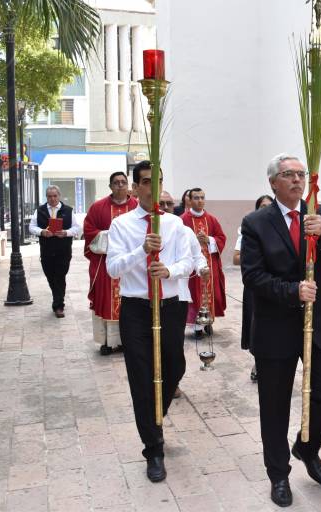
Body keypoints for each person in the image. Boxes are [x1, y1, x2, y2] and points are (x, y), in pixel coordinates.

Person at [241, 154, 321, 507]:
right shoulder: (255, 222)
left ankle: (307, 446)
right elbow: (252, 276)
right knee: (274, 407)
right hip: (275, 327)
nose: (296, 180)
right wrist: (293, 291)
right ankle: (278, 475)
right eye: (288, 175)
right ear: (273, 182)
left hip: (319, 323)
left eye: (301, 174)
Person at [106, 161, 193, 483]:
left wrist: (169, 270)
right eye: (144, 182)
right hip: (136, 308)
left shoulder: (175, 224)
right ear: (134, 187)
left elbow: (189, 262)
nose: (151, 188)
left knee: (175, 365)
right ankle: (153, 448)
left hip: (169, 305)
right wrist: (141, 252)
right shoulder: (122, 226)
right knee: (141, 376)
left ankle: (156, 415)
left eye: (156, 181)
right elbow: (114, 268)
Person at [83, 172, 138, 354]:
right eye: (116, 183)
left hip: (131, 266)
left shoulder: (137, 207)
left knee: (130, 303)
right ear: (110, 186)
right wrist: (111, 236)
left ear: (129, 185)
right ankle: (107, 341)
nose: (120, 185)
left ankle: (126, 340)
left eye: (123, 182)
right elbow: (89, 230)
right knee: (106, 301)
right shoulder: (98, 207)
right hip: (106, 264)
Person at [162, 190, 209, 399]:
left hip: (177, 297)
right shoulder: (144, 230)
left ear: (175, 206)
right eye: (160, 204)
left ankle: (173, 382)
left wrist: (203, 268)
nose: (164, 209)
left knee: (173, 344)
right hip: (147, 298)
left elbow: (197, 256)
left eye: (168, 204)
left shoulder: (184, 231)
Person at [233, 194, 273, 381]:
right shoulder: (249, 228)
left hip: (275, 285)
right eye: (262, 206)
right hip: (255, 285)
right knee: (255, 325)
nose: (265, 209)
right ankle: (258, 362)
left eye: (269, 206)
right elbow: (235, 258)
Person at [29, 185, 82, 318]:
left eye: (55, 196)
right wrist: (41, 232)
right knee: (50, 276)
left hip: (63, 251)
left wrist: (66, 232)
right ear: (46, 197)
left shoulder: (68, 210)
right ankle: (57, 298)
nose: (52, 199)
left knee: (59, 276)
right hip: (46, 251)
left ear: (59, 196)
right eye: (49, 196)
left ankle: (58, 305)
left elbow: (77, 228)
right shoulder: (40, 211)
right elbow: (31, 227)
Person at [181, 188, 227, 338]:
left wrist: (209, 240)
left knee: (209, 294)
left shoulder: (211, 219)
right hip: (193, 265)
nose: (199, 200)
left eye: (202, 197)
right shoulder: (183, 219)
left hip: (210, 265)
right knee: (196, 294)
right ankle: (197, 328)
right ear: (189, 200)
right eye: (196, 198)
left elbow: (221, 237)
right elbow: (179, 241)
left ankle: (208, 322)